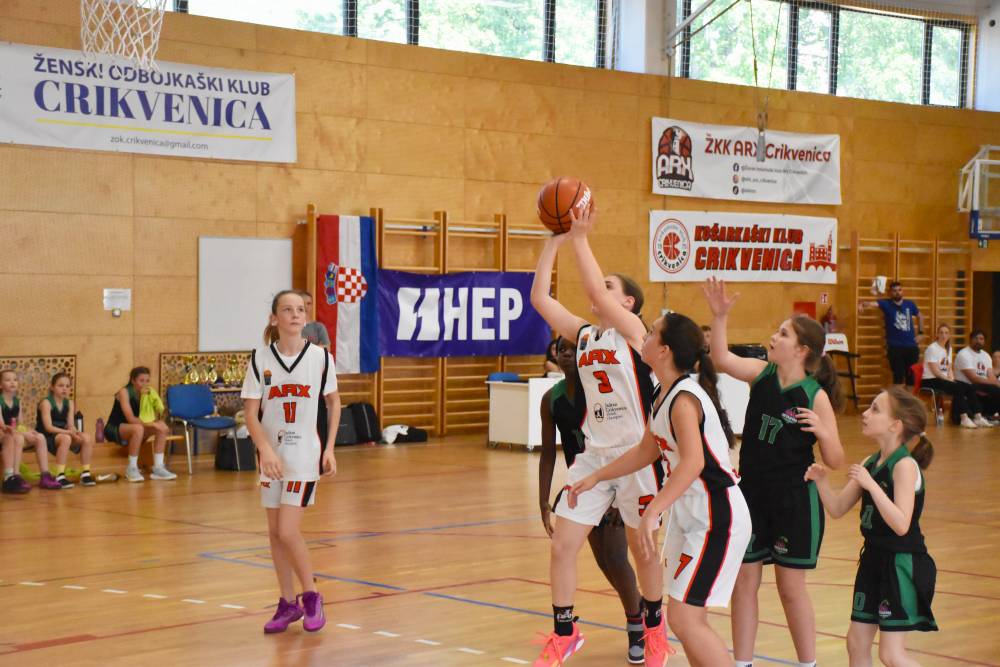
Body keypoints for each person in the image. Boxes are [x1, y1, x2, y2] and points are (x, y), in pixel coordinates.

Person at [569, 312, 751, 666]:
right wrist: (597, 476)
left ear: (664, 350)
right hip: (692, 515)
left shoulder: (684, 399)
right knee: (686, 621)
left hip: (717, 516)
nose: (644, 336)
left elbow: (693, 463)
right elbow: (645, 451)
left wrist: (653, 509)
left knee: (684, 620)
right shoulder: (662, 393)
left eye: (651, 332)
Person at [529, 205, 668, 667]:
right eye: (602, 284)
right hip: (594, 456)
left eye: (611, 287)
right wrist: (554, 239)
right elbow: (539, 299)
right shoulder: (586, 336)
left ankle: (654, 629)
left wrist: (581, 237)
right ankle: (565, 633)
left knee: (642, 550)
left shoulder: (636, 334)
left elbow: (591, 290)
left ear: (628, 304)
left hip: (639, 453)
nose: (599, 291)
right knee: (563, 544)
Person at [704, 277, 845, 667]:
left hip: (794, 500)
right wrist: (720, 316)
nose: (773, 336)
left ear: (801, 350)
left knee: (790, 588)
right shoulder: (761, 373)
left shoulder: (815, 395)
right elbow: (721, 358)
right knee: (744, 582)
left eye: (782, 333)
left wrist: (822, 432)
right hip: (752, 494)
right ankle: (742, 663)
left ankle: (808, 663)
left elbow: (835, 459)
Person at [806, 387, 937, 666]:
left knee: (891, 654)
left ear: (895, 425)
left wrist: (871, 485)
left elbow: (901, 524)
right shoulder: (870, 462)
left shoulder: (904, 465)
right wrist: (821, 481)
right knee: (856, 643)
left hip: (901, 563)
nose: (865, 413)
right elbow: (837, 508)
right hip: (873, 559)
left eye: (875, 409)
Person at [538, 336, 645, 664]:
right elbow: (547, 453)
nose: (567, 354)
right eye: (561, 349)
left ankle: (638, 626)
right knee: (602, 561)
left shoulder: (599, 391)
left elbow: (623, 440)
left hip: (613, 481)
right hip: (583, 485)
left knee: (616, 557)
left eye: (573, 349)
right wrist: (543, 501)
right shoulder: (551, 399)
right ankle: (639, 610)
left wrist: (618, 497)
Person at [242, 289, 341, 635]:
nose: (296, 314)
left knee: (287, 530)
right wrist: (265, 450)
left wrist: (329, 448)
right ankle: (287, 603)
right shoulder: (260, 359)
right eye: (287, 309)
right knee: (274, 533)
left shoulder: (321, 358)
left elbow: (334, 403)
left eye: (300, 309)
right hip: (271, 458)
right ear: (275, 318)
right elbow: (250, 413)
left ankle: (311, 595)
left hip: (304, 456)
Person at [104, 367, 177, 482]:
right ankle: (131, 468)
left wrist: (157, 422)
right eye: (141, 381)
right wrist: (152, 425)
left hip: (138, 427)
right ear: (133, 380)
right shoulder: (124, 392)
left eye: (147, 381)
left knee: (162, 427)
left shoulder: (148, 393)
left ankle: (158, 468)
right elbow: (131, 419)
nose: (145, 384)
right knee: (138, 428)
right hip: (116, 427)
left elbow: (149, 416)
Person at [0, 369, 61, 492]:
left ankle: (45, 475)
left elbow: (20, 424)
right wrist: (22, 433)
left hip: (15, 431)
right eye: (8, 380)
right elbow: (3, 426)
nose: (12, 382)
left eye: (15, 380)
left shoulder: (17, 401)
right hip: (4, 432)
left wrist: (30, 431)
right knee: (18, 438)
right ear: (0, 385)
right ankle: (15, 476)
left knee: (40, 437)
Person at [859, 281, 925, 386]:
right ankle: (897, 397)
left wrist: (921, 333)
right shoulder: (886, 304)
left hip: (911, 346)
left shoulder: (910, 304)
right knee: (898, 377)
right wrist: (862, 303)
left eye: (899, 290)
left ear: (902, 291)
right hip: (895, 347)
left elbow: (920, 316)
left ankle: (907, 397)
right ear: (890, 292)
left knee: (911, 378)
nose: (897, 292)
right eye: (894, 291)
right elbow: (871, 304)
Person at [37, 372, 96, 488]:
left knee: (87, 437)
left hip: (64, 433)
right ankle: (60, 475)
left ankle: (85, 474)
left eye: (67, 386)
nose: (64, 389)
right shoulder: (46, 403)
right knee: (66, 438)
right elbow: (48, 427)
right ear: (52, 387)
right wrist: (69, 433)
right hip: (47, 436)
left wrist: (75, 431)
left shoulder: (69, 403)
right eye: (61, 385)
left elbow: (70, 424)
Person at [921, 323, 982, 428]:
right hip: (930, 380)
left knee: (968, 386)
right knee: (957, 387)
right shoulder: (932, 348)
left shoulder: (948, 349)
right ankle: (964, 418)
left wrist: (952, 378)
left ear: (949, 335)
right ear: (937, 334)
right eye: (941, 332)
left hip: (942, 379)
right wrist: (949, 380)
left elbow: (949, 368)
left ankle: (978, 416)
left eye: (946, 333)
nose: (943, 335)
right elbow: (935, 371)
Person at [954, 329, 1000, 423]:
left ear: (984, 341)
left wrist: (996, 383)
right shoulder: (964, 354)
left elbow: (991, 376)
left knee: (996, 390)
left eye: (981, 339)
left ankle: (988, 415)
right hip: (966, 384)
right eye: (976, 338)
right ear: (970, 339)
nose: (978, 341)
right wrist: (995, 382)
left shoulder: (986, 355)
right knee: (993, 388)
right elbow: (973, 378)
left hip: (982, 384)